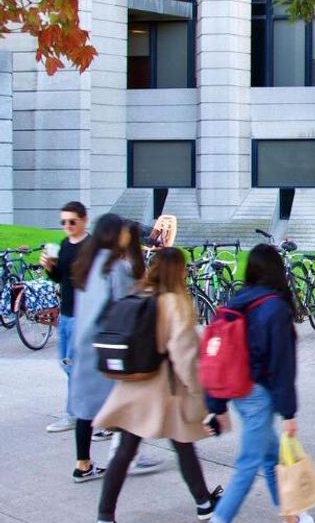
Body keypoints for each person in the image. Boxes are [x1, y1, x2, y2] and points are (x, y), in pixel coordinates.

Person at [93, 248, 223, 522]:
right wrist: (199, 392)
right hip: (165, 386)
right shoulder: (174, 301)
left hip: (133, 385)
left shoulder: (140, 293)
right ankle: (203, 503)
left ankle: (105, 514)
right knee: (183, 443)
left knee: (125, 450)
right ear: (178, 270)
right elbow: (184, 354)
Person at [204, 244, 309, 523]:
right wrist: (288, 414)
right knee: (249, 463)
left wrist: (217, 405)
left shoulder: (238, 301)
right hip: (258, 395)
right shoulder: (275, 308)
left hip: (239, 391)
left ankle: (291, 515)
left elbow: (217, 355)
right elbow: (282, 366)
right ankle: (220, 518)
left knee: (270, 455)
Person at [69, 216, 160, 482]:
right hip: (110, 344)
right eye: (122, 232)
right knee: (126, 401)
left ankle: (82, 463)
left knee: (85, 407)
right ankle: (126, 455)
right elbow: (126, 305)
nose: (126, 236)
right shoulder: (116, 267)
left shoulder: (87, 263)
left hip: (85, 341)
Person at [43, 201, 90, 433]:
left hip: (83, 314)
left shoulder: (91, 246)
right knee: (66, 363)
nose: (68, 226)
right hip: (67, 312)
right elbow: (59, 278)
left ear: (84, 220)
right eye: (64, 222)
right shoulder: (64, 244)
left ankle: (76, 413)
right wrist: (50, 267)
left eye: (72, 221)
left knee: (74, 366)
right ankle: (82, 411)